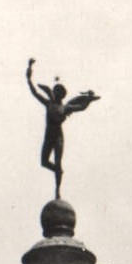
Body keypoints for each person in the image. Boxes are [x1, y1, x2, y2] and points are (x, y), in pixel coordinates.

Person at [26, 59, 99, 199]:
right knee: (44, 162)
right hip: (49, 137)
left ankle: (57, 190)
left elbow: (81, 107)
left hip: (58, 138)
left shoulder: (65, 108)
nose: (52, 93)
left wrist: (89, 98)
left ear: (59, 94)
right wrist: (29, 75)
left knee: (58, 162)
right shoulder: (48, 104)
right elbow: (35, 92)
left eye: (55, 91)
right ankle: (58, 171)